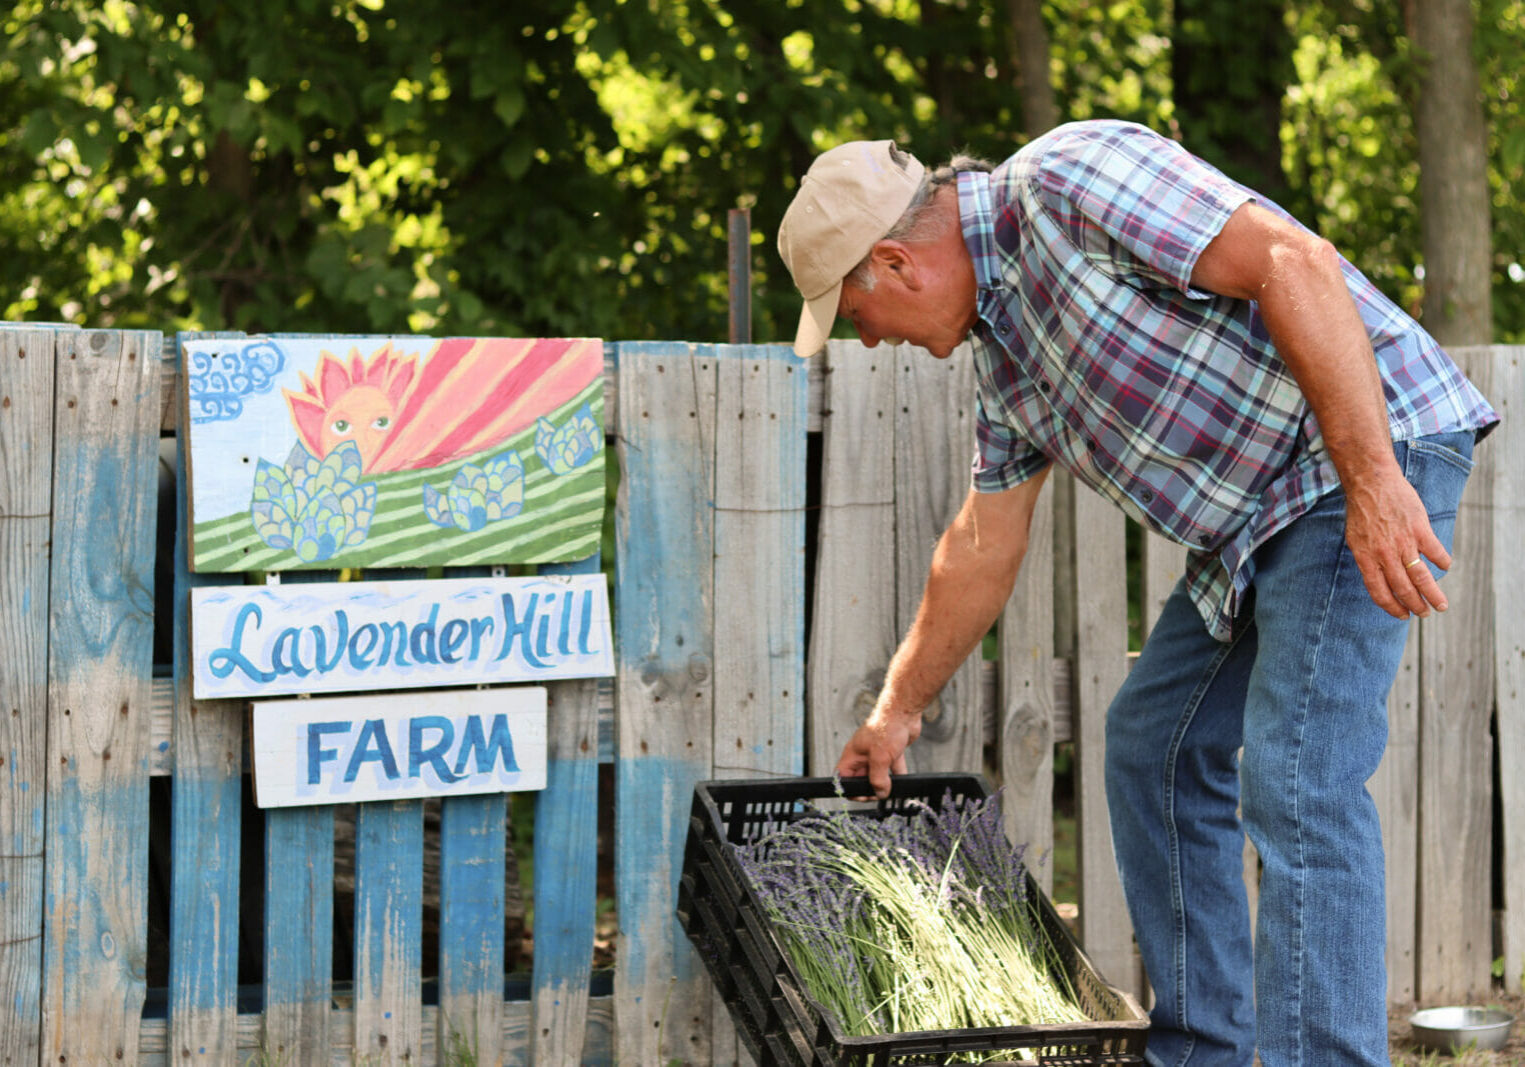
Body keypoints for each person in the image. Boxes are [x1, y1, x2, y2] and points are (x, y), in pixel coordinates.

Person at [776, 121, 1498, 1066]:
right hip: (1258, 520)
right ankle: (1201, 1053)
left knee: (1297, 776)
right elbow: (982, 541)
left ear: (896, 262)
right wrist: (895, 710)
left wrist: (1369, 482)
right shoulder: (1007, 359)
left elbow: (1295, 261)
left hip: (1363, 447)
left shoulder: (1070, 181)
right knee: (1151, 744)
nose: (870, 341)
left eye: (857, 315)